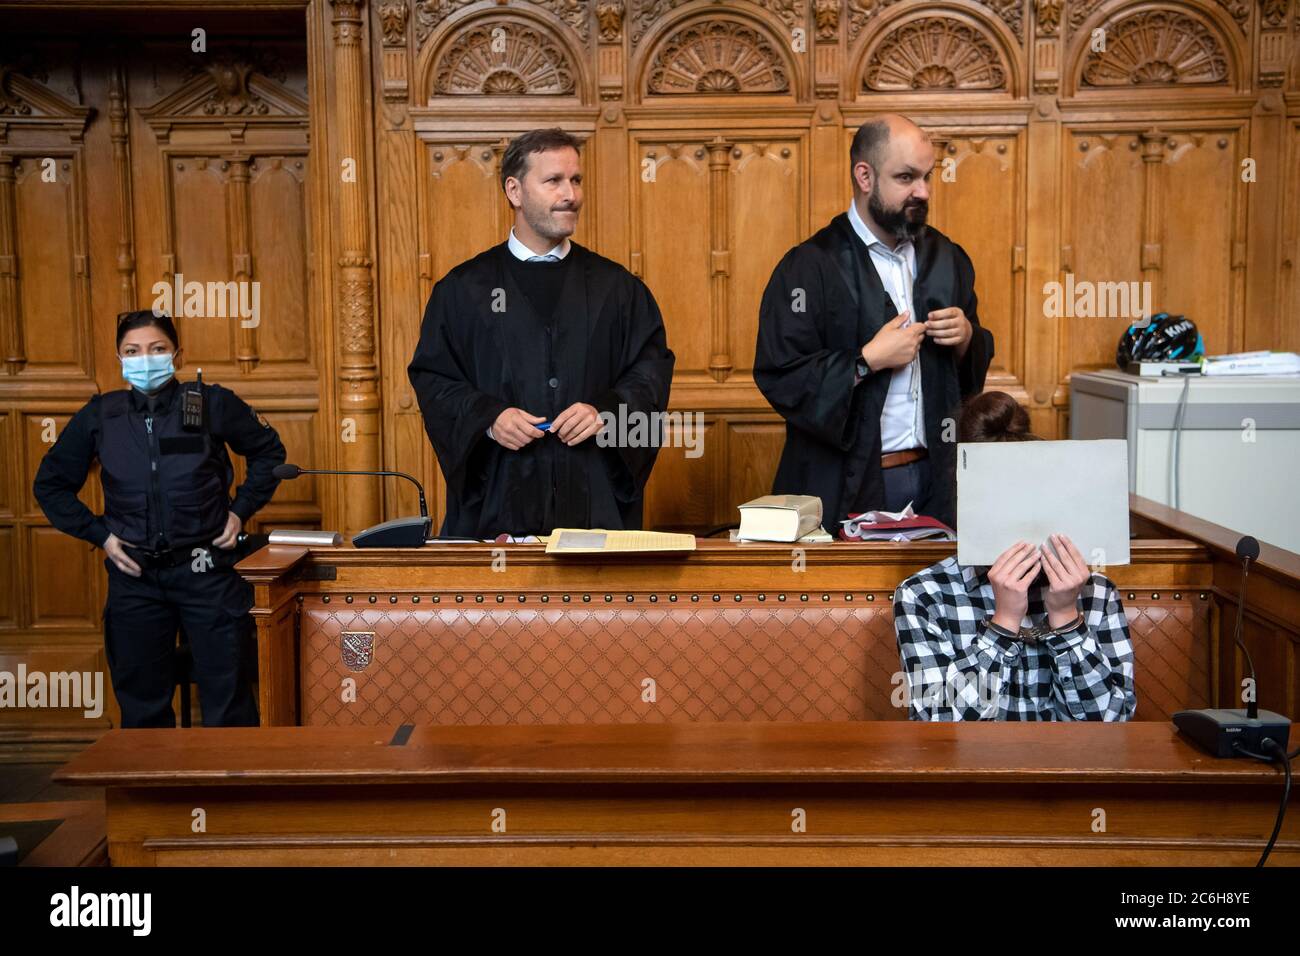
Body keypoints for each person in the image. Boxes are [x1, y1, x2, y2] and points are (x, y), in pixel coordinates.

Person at [408, 127, 675, 538]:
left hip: (593, 503)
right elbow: (434, 378)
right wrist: (489, 418)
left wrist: (606, 411)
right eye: (553, 181)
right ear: (514, 190)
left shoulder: (616, 288)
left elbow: (650, 371)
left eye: (576, 180)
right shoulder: (464, 290)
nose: (571, 194)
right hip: (497, 504)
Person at [33, 310, 285, 728]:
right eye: (132, 351)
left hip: (207, 572)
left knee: (229, 699)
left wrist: (240, 512)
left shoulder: (209, 403)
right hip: (135, 578)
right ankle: (154, 792)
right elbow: (51, 485)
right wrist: (103, 537)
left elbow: (269, 454)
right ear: (119, 358)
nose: (144, 359)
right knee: (142, 705)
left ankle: (233, 792)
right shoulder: (101, 416)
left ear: (178, 356)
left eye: (157, 349)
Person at [755, 113, 994, 529]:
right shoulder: (809, 268)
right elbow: (780, 374)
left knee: (936, 591)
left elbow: (970, 371)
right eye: (905, 178)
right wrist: (865, 360)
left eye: (927, 177)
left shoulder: (946, 257)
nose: (922, 191)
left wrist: (966, 338)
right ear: (864, 177)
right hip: (850, 478)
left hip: (937, 474)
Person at [892, 391, 1136, 721]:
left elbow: (1111, 723)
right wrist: (1003, 624)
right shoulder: (924, 596)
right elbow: (939, 725)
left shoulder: (1096, 593)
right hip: (971, 773)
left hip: (1067, 771)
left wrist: (1066, 617)